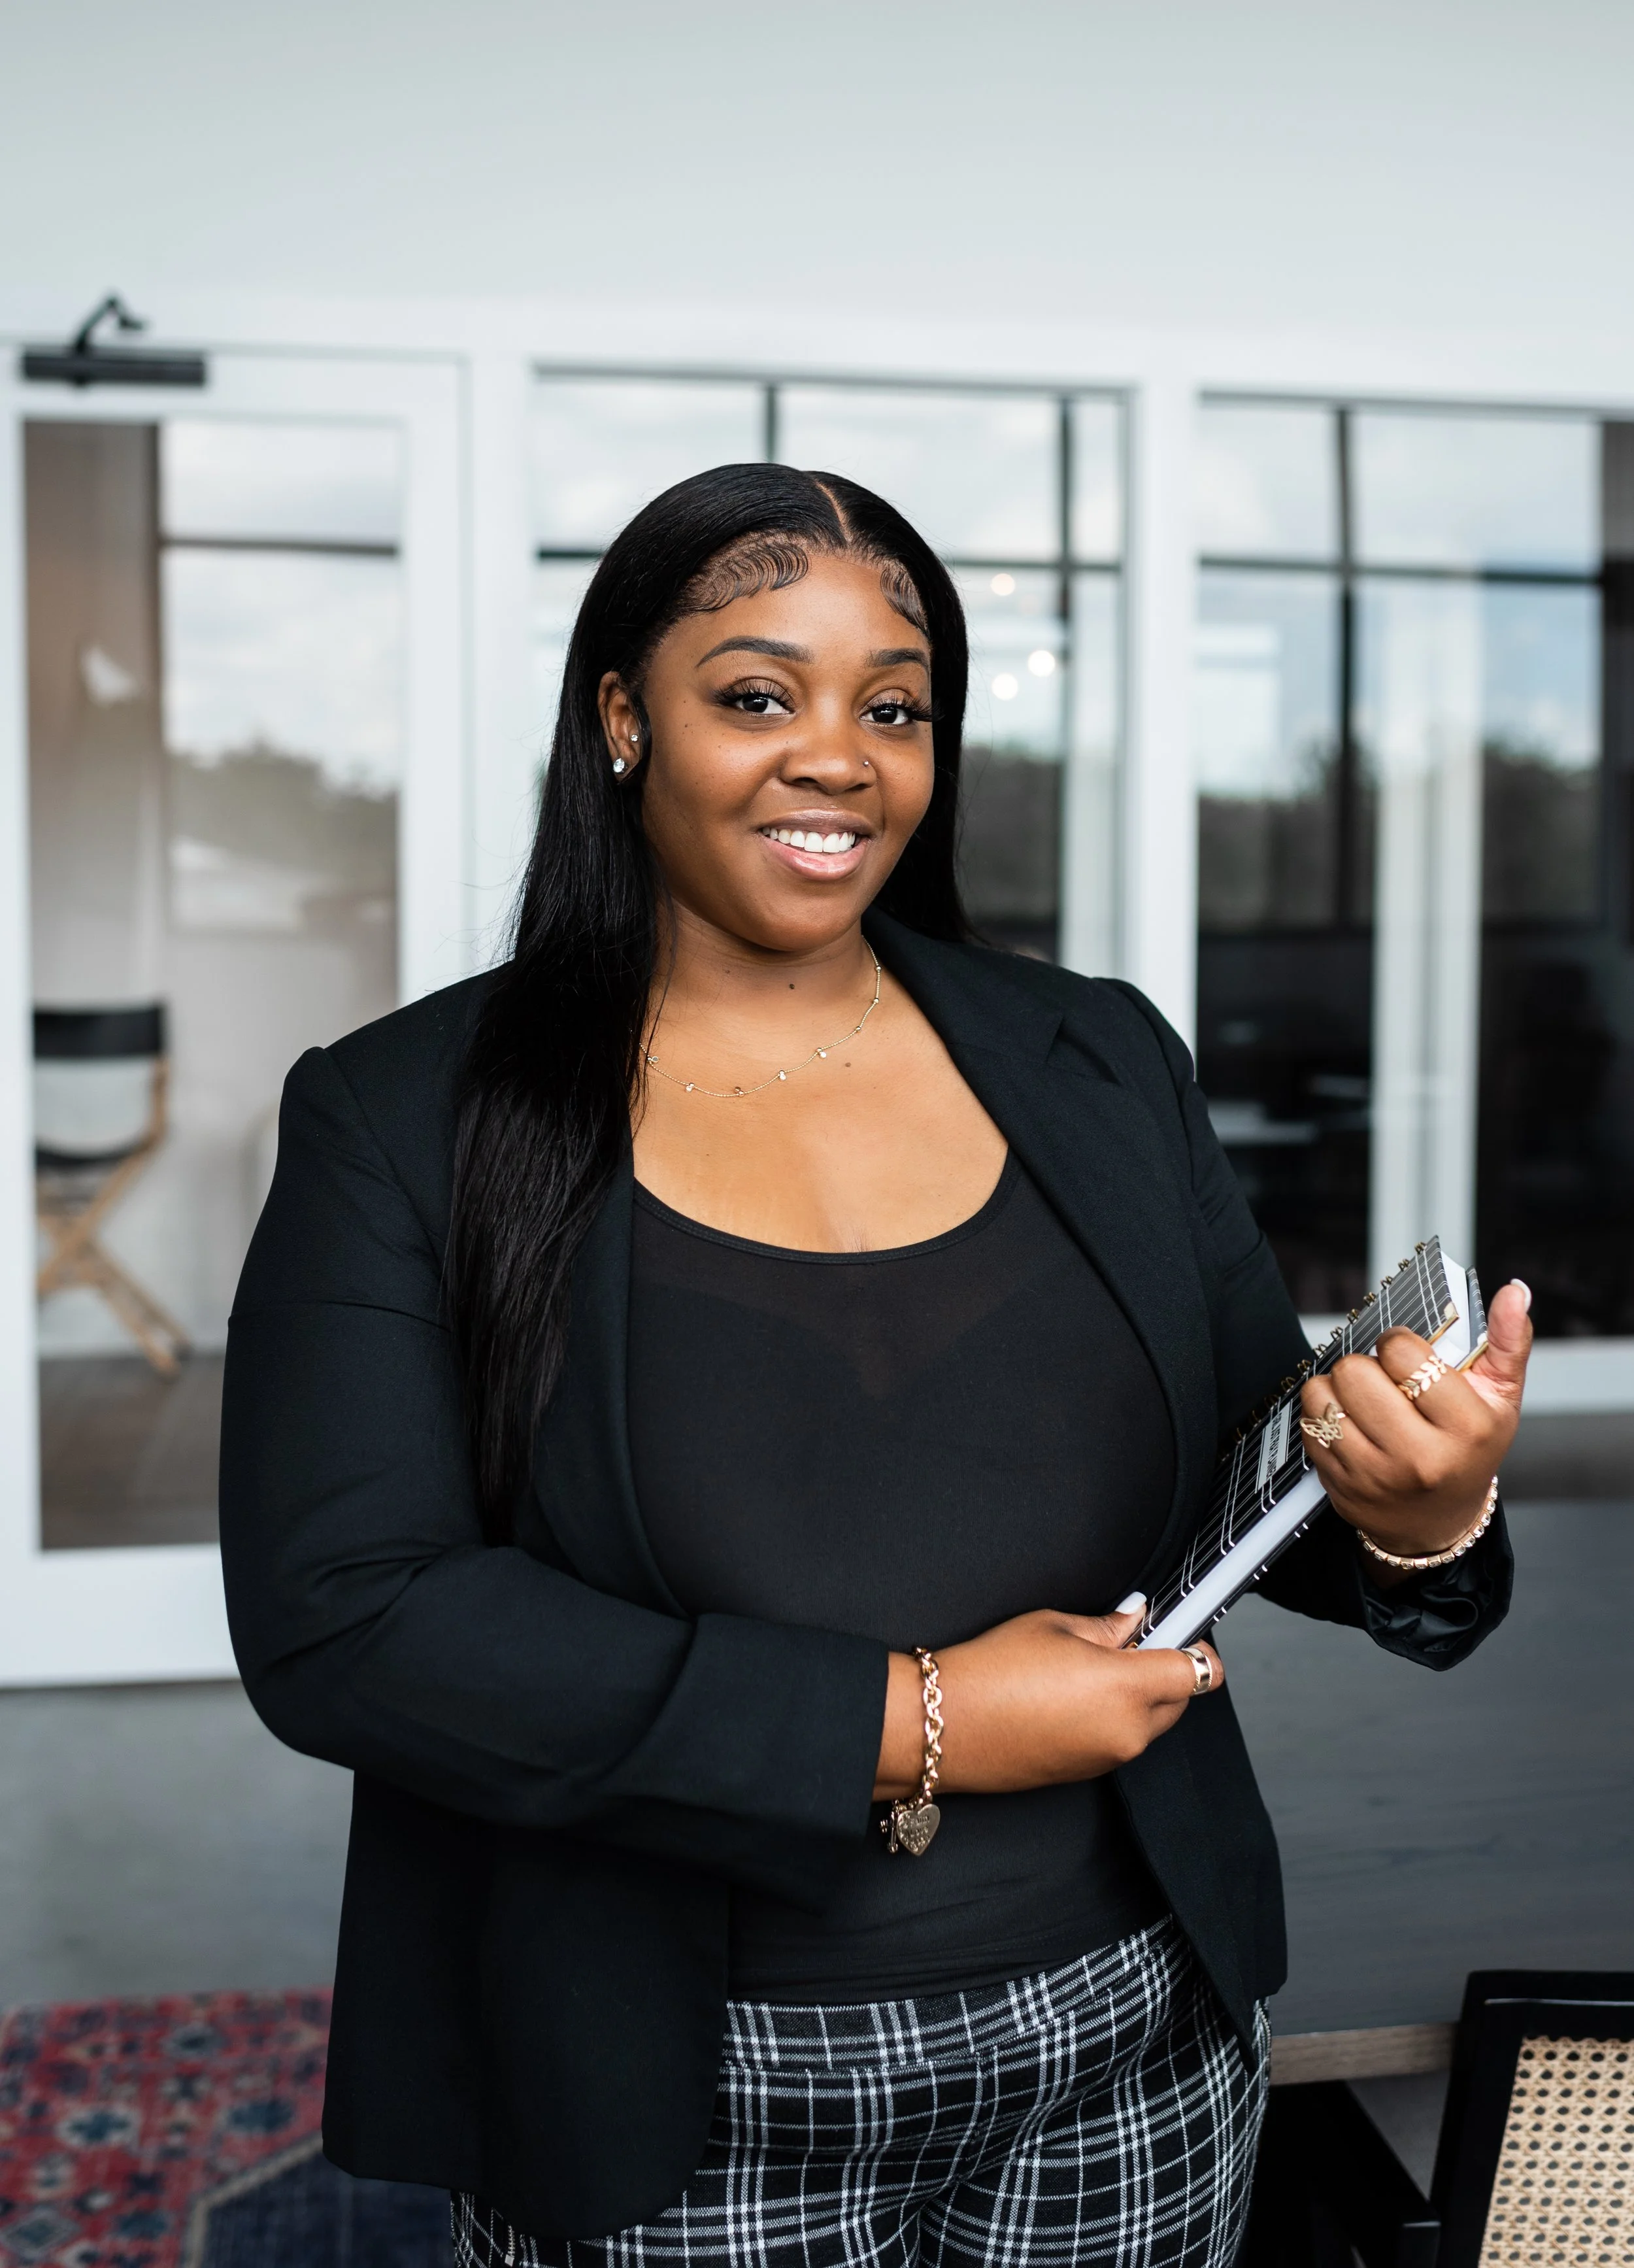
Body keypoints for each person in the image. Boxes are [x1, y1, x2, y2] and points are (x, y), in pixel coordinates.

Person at [219, 464, 1527, 2268]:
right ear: (620, 715)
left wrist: (1414, 1508)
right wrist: (910, 1720)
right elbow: (347, 1622)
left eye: (892, 705)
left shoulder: (1094, 1058)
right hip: (667, 2078)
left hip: (1126, 2037)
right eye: (756, 692)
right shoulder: (404, 1116)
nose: (836, 755)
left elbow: (1258, 1471)